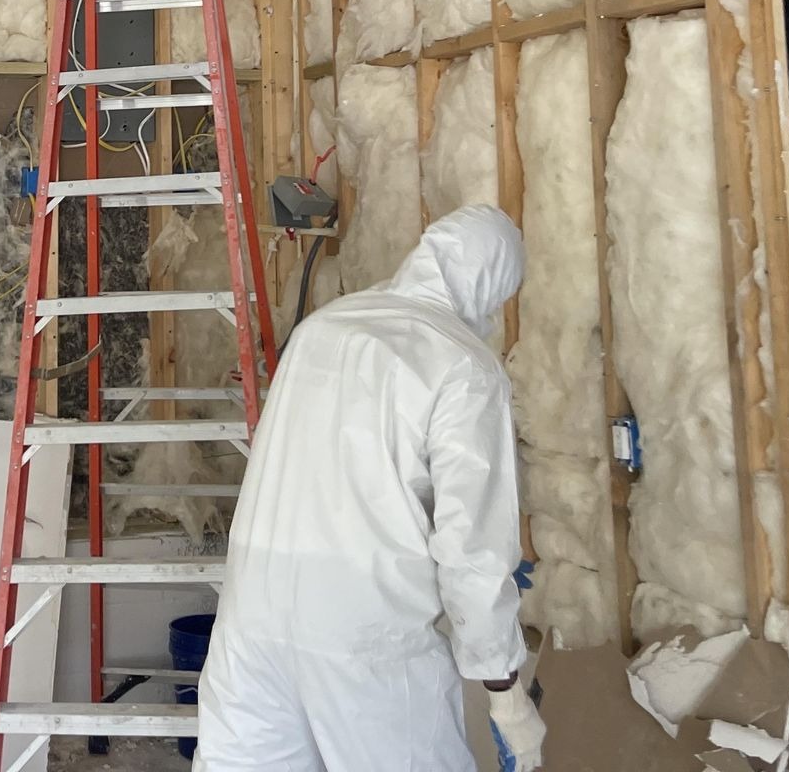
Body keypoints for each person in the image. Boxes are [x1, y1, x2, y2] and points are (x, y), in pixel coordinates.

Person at [195, 204, 549, 772]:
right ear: (492, 284)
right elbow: (473, 551)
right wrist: (505, 691)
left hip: (251, 624)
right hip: (366, 639)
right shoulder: (462, 367)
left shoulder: (320, 329)